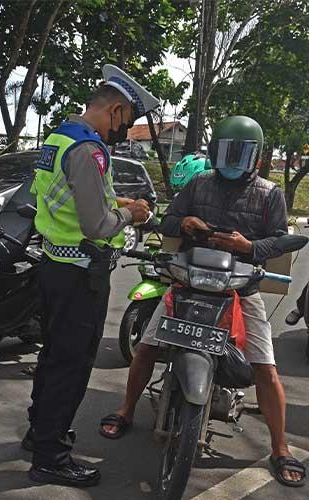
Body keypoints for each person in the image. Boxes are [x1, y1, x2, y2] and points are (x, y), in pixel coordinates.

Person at [99, 116, 306, 488]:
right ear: (214, 152)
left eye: (242, 153)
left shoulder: (269, 193)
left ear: (256, 157)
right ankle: (125, 409)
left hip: (240, 289)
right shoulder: (198, 183)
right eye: (228, 151)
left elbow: (279, 239)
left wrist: (250, 247)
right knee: (146, 347)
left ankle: (280, 446)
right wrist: (186, 223)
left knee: (265, 367)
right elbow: (167, 222)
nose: (234, 159)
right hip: (188, 282)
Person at [24, 64, 155, 487]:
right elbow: (97, 225)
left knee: (52, 357)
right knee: (72, 364)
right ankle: (51, 457)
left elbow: (64, 196)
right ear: (115, 111)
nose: (126, 132)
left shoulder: (59, 139)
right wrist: (130, 213)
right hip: (81, 273)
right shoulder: (89, 150)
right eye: (128, 122)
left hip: (54, 265)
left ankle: (39, 433)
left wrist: (114, 199)